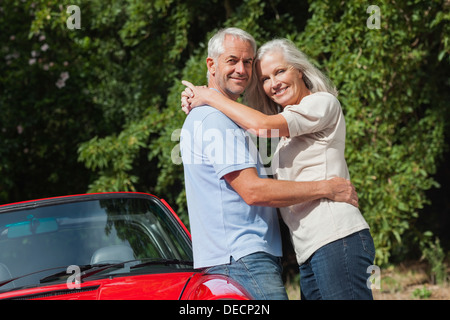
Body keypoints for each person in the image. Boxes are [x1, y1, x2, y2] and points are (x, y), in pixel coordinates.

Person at [181, 37, 375, 300]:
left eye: (280, 71)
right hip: (308, 250)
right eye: (265, 79)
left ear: (299, 70)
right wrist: (202, 100)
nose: (274, 83)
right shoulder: (285, 135)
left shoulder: (322, 103)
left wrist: (209, 96)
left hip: (335, 236)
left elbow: (261, 125)